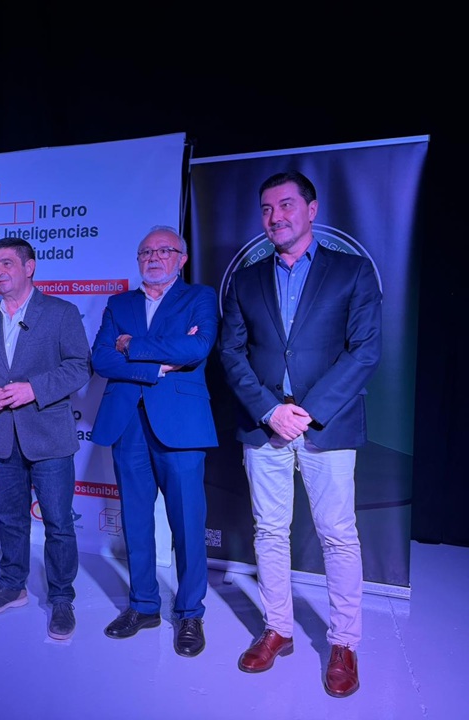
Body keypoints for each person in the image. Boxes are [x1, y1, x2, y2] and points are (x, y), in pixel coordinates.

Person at [219, 171, 382, 698]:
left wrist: (306, 413)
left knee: (338, 535)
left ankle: (344, 643)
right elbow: (232, 352)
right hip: (263, 426)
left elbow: (365, 350)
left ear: (311, 210)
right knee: (269, 531)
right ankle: (278, 629)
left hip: (326, 425)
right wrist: (270, 410)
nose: (276, 216)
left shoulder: (352, 271)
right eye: (267, 208)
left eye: (286, 205)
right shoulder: (246, 279)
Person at [90, 225, 218, 657]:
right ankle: (143, 605)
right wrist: (157, 365)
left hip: (181, 425)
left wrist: (133, 344)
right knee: (136, 520)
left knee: (188, 523)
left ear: (182, 259)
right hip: (128, 424)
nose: (154, 257)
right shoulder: (119, 303)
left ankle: (190, 613)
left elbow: (196, 348)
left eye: (164, 250)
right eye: (146, 251)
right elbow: (102, 358)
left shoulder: (199, 297)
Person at [0, 237, 91, 640]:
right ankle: (11, 585)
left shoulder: (60, 312)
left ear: (29, 267)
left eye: (7, 263)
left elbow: (79, 367)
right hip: (4, 436)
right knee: (10, 519)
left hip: (49, 437)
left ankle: (61, 597)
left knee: (58, 522)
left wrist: (33, 389)